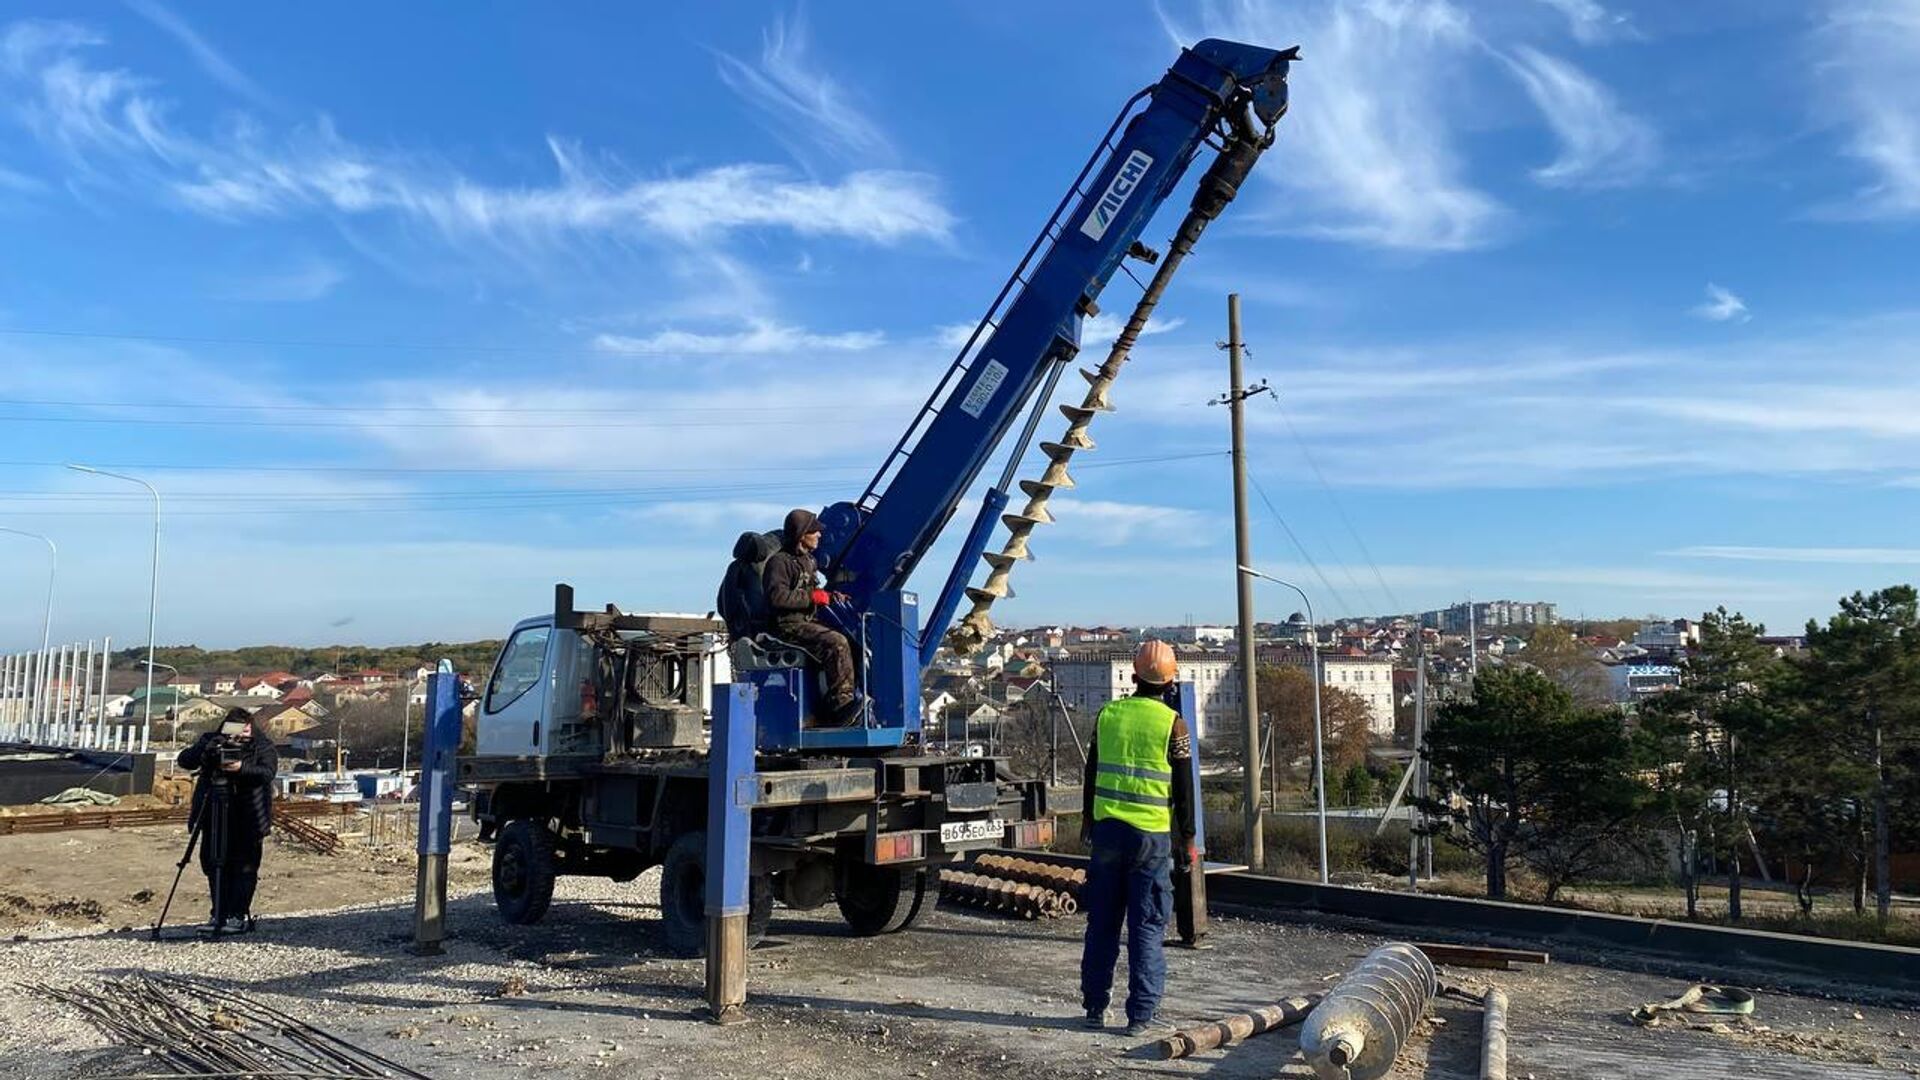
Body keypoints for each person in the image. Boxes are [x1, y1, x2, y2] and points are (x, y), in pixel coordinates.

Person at [1078, 640, 1196, 1036]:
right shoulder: (1173, 724)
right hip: (1151, 838)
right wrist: (1189, 839)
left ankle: (1095, 1007)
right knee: (1146, 925)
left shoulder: (1108, 715)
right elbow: (1183, 790)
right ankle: (1140, 1016)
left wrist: (1088, 823)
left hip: (1108, 832)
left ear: (1132, 677)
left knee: (1102, 922)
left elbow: (1091, 775)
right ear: (1170, 681)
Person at [176, 707, 278, 934]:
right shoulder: (212, 740)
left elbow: (267, 773)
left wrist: (241, 767)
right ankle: (218, 913)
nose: (239, 737)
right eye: (235, 731)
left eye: (245, 732)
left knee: (243, 866)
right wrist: (208, 748)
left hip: (249, 813)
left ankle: (236, 914)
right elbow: (185, 760)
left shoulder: (262, 746)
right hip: (213, 810)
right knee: (213, 862)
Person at [761, 508, 861, 724]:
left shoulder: (809, 561)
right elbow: (777, 597)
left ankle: (840, 702)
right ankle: (840, 706)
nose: (819, 535)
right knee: (836, 643)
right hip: (787, 627)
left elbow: (815, 593)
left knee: (853, 640)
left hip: (807, 622)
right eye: (814, 531)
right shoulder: (779, 563)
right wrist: (812, 597)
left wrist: (831, 597)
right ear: (801, 534)